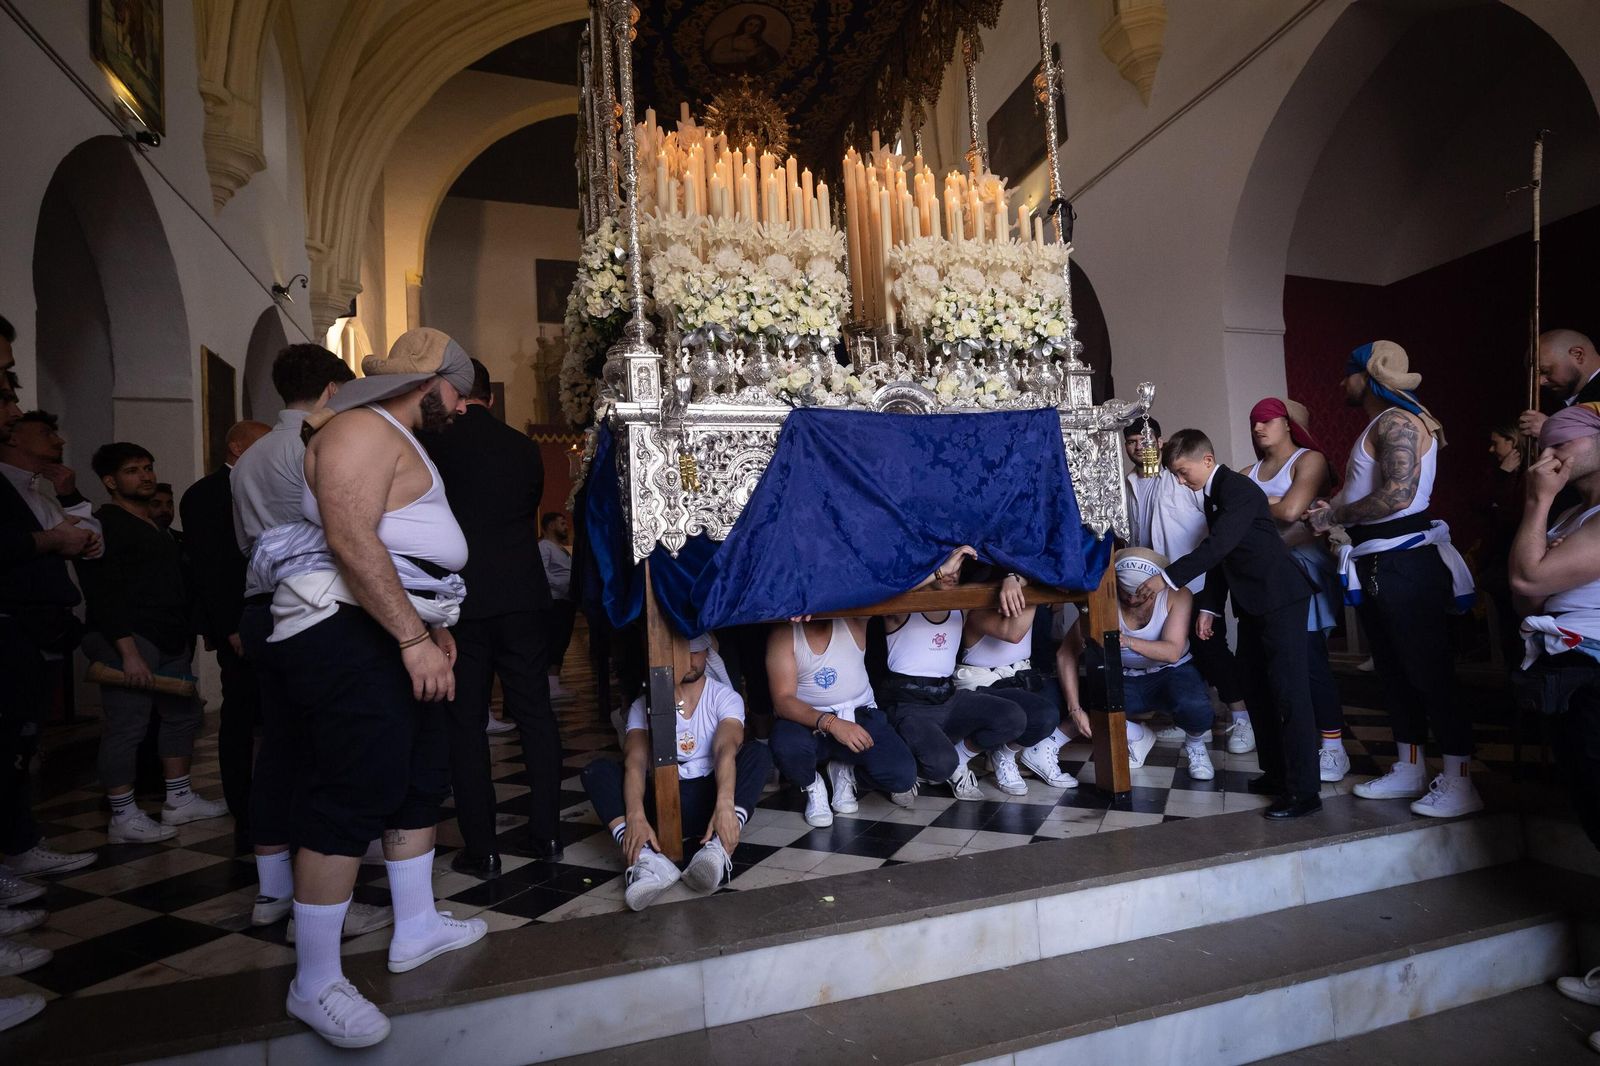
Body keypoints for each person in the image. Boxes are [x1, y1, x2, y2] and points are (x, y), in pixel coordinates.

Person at [252, 327, 486, 1048]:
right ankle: (315, 980)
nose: (464, 406)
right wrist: (413, 638)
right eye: (458, 391)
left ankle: (415, 925)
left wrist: (427, 626)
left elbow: (398, 544)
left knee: (417, 776)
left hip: (390, 628)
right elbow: (351, 538)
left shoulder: (394, 433)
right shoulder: (360, 428)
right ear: (428, 383)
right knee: (352, 788)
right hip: (345, 631)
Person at [231, 345, 386, 941]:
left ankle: (272, 891)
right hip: (316, 606)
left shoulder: (248, 456)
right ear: (332, 390)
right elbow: (345, 529)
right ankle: (321, 906)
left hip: (259, 603)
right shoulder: (321, 443)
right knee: (332, 753)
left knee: (278, 746)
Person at [1308, 341, 1478, 817]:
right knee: (1394, 671)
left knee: (1429, 672)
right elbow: (1364, 490)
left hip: (1404, 563)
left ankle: (1461, 780)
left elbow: (1398, 496)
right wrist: (1331, 509)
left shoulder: (1396, 421)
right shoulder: (1382, 422)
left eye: (1348, 372)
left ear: (1367, 375)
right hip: (1379, 560)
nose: (1342, 382)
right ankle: (1410, 768)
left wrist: (1334, 515)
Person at [422, 358, 560, 879]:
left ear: (454, 395)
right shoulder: (523, 447)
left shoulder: (434, 445)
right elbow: (526, 510)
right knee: (535, 715)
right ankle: (547, 832)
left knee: (467, 723)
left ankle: (482, 846)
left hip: (461, 600)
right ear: (492, 397)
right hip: (522, 594)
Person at [1141, 429, 1320, 819]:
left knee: (1289, 693)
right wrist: (1211, 608)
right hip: (1253, 603)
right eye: (1175, 474)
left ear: (1207, 460)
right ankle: (1277, 775)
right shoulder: (1215, 495)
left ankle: (1305, 791)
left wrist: (1165, 578)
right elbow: (1225, 558)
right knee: (1255, 687)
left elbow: (1216, 547)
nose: (1180, 481)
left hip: (1280, 598)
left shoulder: (1238, 490)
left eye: (1183, 472)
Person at [1506, 403, 1600, 1055]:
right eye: (1549, 440)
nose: (1554, 450)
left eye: (1568, 440)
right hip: (1573, 678)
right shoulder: (1573, 515)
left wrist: (1536, 500)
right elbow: (1526, 594)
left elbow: (1530, 573)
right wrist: (1543, 508)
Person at [77, 443, 227, 842]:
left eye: (147, 467)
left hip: (168, 635)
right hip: (130, 637)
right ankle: (123, 815)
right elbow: (102, 593)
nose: (145, 476)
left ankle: (179, 799)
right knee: (128, 726)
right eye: (132, 470)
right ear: (111, 481)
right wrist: (127, 652)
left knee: (183, 715)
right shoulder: (105, 524)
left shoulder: (156, 526)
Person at [580, 634, 773, 910]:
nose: (688, 660)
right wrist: (635, 815)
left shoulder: (725, 698)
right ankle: (646, 857)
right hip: (661, 805)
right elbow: (635, 761)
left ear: (708, 653)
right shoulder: (642, 705)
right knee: (597, 772)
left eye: (695, 652)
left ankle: (718, 848)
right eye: (680, 651)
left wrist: (724, 804)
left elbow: (725, 749)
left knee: (758, 754)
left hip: (709, 802)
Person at [0, 408, 100, 878]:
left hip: (41, 629)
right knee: (10, 747)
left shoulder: (38, 491)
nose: (58, 440)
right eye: (46, 432)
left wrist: (71, 499)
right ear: (14, 439)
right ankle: (15, 849)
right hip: (15, 625)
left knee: (23, 745)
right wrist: (54, 541)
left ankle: (20, 843)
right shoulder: (5, 488)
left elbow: (90, 543)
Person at [1122, 418, 1255, 755]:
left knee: (1210, 646)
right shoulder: (1127, 483)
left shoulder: (1180, 476)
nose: (1139, 447)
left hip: (1195, 579)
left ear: (1161, 442)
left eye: (1145, 439)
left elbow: (1212, 529)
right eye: (1132, 441)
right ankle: (1197, 723)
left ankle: (1242, 718)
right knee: (1178, 654)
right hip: (1153, 587)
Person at [1242, 397, 1350, 782]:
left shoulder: (1309, 460)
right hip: (1262, 578)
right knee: (1270, 668)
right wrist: (1277, 503)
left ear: (1288, 424)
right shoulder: (1248, 471)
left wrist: (1260, 507)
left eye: (1267, 420)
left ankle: (1334, 749)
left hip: (1303, 572)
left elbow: (1291, 512)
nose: (1258, 427)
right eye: (1254, 421)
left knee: (1309, 660)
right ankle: (1287, 756)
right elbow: (1234, 515)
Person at [877, 546, 1032, 800]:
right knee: (941, 766)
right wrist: (939, 571)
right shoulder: (904, 604)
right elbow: (885, 591)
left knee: (1013, 717)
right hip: (909, 705)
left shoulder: (962, 600)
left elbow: (1024, 582)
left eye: (958, 567)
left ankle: (956, 757)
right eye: (948, 565)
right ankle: (903, 765)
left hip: (948, 698)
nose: (953, 573)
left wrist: (1013, 578)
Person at [178, 420, 269, 840]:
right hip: (238, 622)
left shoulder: (259, 484)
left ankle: (269, 796)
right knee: (241, 715)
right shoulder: (206, 494)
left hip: (266, 617)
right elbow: (212, 569)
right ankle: (243, 803)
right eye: (262, 443)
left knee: (268, 712)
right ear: (236, 446)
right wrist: (232, 625)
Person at [1058, 549, 1218, 782]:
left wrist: (1126, 641)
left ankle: (1195, 743)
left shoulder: (1178, 594)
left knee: (1197, 708)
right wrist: (1075, 709)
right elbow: (1066, 653)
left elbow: (1172, 652)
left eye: (1142, 595)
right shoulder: (1104, 598)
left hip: (1171, 672)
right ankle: (1139, 736)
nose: (1132, 600)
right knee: (1086, 703)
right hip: (1125, 676)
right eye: (1126, 594)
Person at [767, 616, 919, 827]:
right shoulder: (785, 634)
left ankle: (844, 770)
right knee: (785, 744)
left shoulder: (855, 619)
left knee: (902, 776)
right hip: (807, 719)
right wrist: (832, 723)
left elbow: (878, 594)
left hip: (858, 715)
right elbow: (783, 701)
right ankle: (813, 784)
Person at [955, 592, 1081, 792]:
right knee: (1043, 716)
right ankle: (971, 755)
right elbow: (1014, 634)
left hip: (1020, 678)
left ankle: (1020, 751)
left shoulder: (1026, 611)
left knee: (1076, 693)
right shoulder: (977, 614)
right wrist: (1035, 594)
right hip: (983, 687)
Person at [1518, 329, 1600, 440]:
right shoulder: (1554, 402)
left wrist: (1553, 429)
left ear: (1578, 355)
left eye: (1545, 371)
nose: (1540, 382)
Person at [540, 512, 576, 693]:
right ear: (551, 525)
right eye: (562, 523)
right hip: (555, 601)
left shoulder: (560, 548)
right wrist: (562, 585)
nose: (566, 527)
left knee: (562, 641)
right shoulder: (544, 546)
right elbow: (542, 572)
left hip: (565, 600)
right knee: (555, 640)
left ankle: (554, 683)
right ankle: (550, 685)